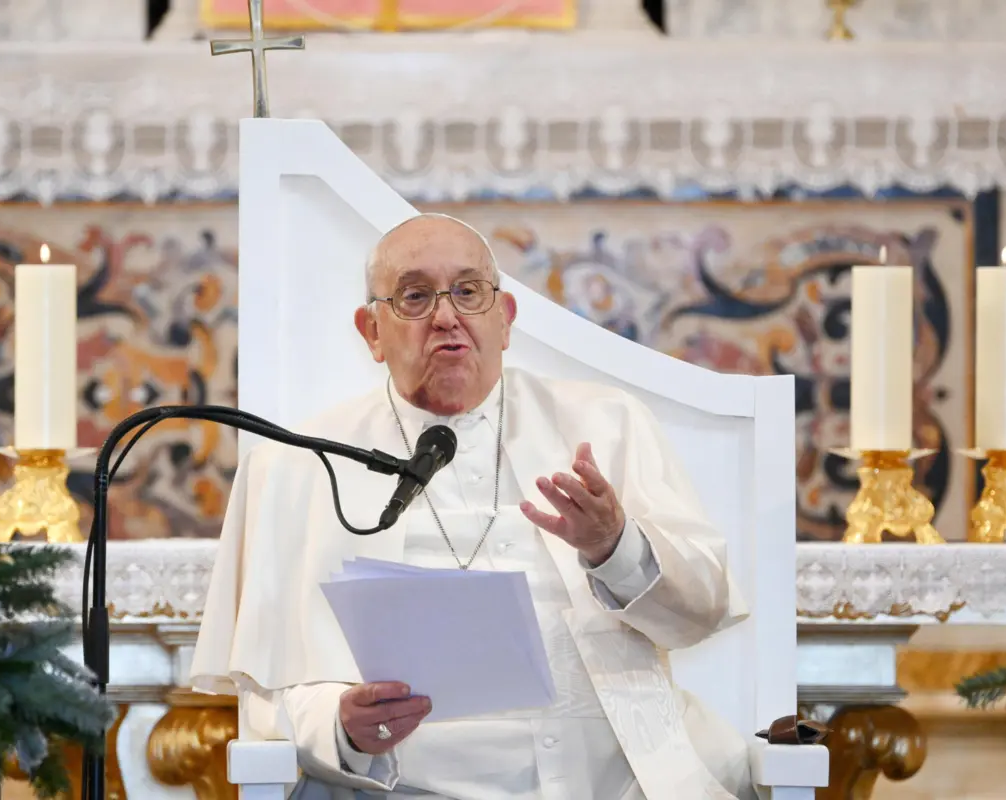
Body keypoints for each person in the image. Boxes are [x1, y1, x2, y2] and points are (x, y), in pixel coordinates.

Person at [191, 214, 755, 799]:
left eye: (468, 291)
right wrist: (341, 727)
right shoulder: (297, 465)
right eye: (414, 295)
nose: (445, 316)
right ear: (372, 332)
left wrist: (613, 545)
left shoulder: (606, 425)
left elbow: (703, 611)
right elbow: (267, 694)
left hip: (616, 786)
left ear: (504, 319)